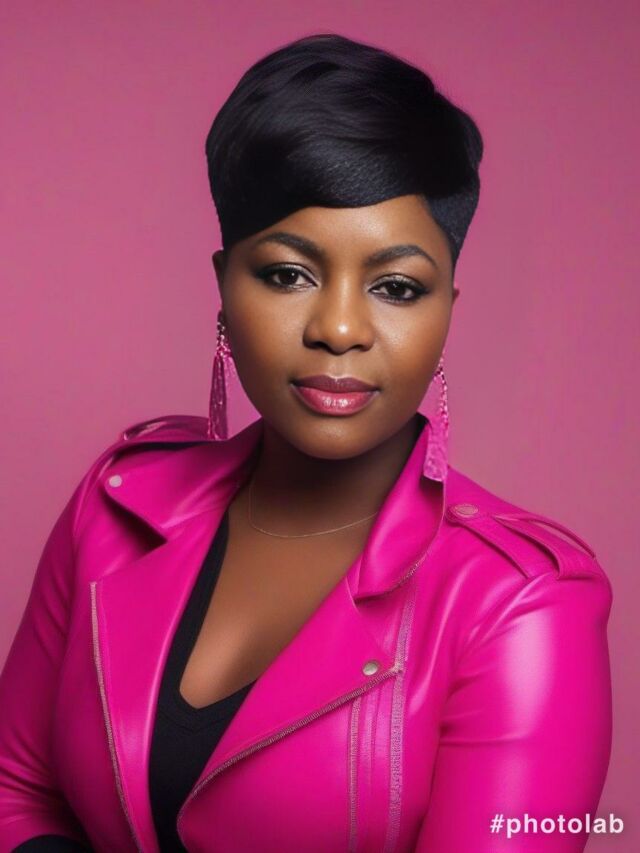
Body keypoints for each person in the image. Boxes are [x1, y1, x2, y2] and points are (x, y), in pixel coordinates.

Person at [0, 32, 612, 853]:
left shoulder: (524, 605)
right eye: (288, 273)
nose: (340, 328)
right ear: (224, 284)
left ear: (447, 312)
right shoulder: (114, 507)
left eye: (396, 287)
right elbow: (16, 790)